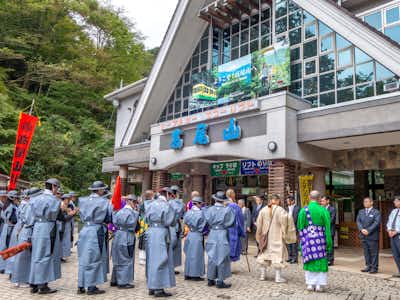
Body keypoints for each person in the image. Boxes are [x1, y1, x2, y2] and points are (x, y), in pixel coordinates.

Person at [26, 178, 66, 294]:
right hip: (48, 228)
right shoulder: (54, 200)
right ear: (53, 186)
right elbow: (59, 217)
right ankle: (43, 285)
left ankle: (33, 284)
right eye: (57, 187)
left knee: (36, 255)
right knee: (46, 255)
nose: (57, 190)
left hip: (37, 227)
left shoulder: (35, 198)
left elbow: (30, 216)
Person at [77, 181, 113, 295]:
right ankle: (91, 287)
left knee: (83, 258)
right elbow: (109, 218)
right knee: (94, 258)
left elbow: (80, 215)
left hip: (84, 230)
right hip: (96, 230)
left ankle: (81, 285)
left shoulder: (82, 200)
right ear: (100, 190)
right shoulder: (104, 201)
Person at [298, 190, 332, 292]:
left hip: (308, 240)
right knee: (321, 260)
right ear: (319, 199)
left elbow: (300, 227)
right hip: (320, 240)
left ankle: (310, 284)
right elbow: (327, 228)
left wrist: (301, 243)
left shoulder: (304, 211)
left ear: (309, 197)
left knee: (309, 260)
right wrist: (329, 243)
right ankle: (319, 285)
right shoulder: (323, 210)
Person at [256, 194, 292, 283]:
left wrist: (259, 235)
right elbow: (285, 224)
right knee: (278, 257)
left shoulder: (263, 210)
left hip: (266, 237)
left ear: (271, 200)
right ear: (277, 200)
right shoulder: (281, 210)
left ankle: (262, 275)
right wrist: (285, 235)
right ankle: (278, 277)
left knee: (264, 255)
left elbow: (258, 223)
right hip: (277, 237)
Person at [145, 193, 176, 298]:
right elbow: (172, 221)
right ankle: (158, 288)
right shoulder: (166, 205)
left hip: (150, 231)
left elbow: (145, 219)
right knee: (161, 259)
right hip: (161, 231)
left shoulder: (149, 204)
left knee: (151, 260)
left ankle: (152, 286)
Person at [11, 188, 42, 287]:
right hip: (28, 231)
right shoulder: (31, 205)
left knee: (22, 256)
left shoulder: (28, 204)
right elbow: (29, 221)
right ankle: (21, 280)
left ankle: (19, 279)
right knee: (23, 257)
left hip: (24, 230)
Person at [204, 191, 235, 289]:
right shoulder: (227, 210)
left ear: (215, 199)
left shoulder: (209, 210)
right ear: (223, 201)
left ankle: (210, 279)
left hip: (212, 232)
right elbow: (231, 222)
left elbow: (205, 220)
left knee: (212, 256)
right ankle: (220, 281)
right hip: (222, 232)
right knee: (222, 256)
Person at [111, 194, 140, 289]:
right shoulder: (133, 213)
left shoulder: (119, 211)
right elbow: (134, 225)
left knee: (117, 257)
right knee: (126, 258)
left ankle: (114, 279)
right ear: (130, 201)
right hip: (127, 236)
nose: (135, 204)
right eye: (135, 202)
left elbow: (114, 221)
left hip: (118, 234)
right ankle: (123, 282)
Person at [183, 196, 206, 281]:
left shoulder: (188, 212)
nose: (201, 205)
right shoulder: (201, 213)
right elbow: (203, 225)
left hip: (190, 234)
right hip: (196, 234)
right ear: (198, 203)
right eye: (201, 204)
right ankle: (195, 275)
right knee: (197, 255)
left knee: (189, 254)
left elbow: (185, 221)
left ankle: (187, 273)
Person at [356, 197, 381, 274]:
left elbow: (376, 223)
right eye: (364, 202)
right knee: (366, 251)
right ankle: (368, 266)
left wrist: (368, 230)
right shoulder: (361, 211)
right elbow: (358, 221)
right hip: (363, 235)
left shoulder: (376, 212)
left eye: (367, 202)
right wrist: (361, 229)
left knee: (373, 252)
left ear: (371, 202)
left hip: (372, 235)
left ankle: (374, 267)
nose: (365, 203)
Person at [165, 185, 185, 274]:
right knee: (171, 246)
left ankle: (171, 267)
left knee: (175, 248)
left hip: (176, 226)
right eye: (177, 193)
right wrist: (178, 200)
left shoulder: (172, 202)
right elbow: (179, 211)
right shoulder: (173, 202)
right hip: (172, 226)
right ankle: (168, 267)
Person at [226, 189, 245, 262]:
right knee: (232, 247)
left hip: (224, 229)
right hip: (232, 229)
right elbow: (240, 219)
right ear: (232, 195)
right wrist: (241, 231)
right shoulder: (235, 206)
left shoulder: (223, 203)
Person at [3, 190, 19, 276]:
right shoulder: (11, 206)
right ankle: (8, 269)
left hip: (7, 227)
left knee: (5, 247)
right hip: (10, 228)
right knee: (10, 248)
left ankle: (3, 267)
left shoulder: (6, 205)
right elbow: (14, 220)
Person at [61, 192, 79, 261]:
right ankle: (62, 255)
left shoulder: (68, 205)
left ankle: (64, 255)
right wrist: (73, 213)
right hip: (63, 224)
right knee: (63, 240)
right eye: (67, 199)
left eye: (69, 199)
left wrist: (73, 213)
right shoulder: (62, 205)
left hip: (67, 224)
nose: (68, 200)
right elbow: (65, 217)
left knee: (67, 239)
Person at [320, 195, 336, 266]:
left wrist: (322, 223)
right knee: (323, 245)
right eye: (321, 201)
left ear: (328, 201)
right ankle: (324, 259)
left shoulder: (332, 209)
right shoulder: (320, 209)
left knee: (330, 245)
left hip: (329, 230)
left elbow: (331, 220)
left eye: (323, 201)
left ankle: (330, 260)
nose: (321, 202)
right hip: (321, 231)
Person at [138, 190, 153, 266]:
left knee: (142, 241)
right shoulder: (153, 203)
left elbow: (139, 214)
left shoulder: (143, 204)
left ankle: (142, 258)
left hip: (143, 224)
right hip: (149, 225)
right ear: (150, 196)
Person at [387, 196, 400, 278]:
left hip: (398, 234)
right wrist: (389, 230)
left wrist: (397, 231)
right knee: (396, 255)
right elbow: (389, 221)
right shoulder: (394, 211)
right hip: (393, 236)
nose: (394, 202)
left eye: (395, 201)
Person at [286, 195, 300, 264]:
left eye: (288, 201)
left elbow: (298, 219)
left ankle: (295, 258)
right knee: (288, 243)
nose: (287, 202)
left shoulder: (297, 208)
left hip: (294, 228)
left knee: (294, 244)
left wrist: (297, 229)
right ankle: (290, 257)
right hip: (287, 228)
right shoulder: (286, 208)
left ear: (293, 201)